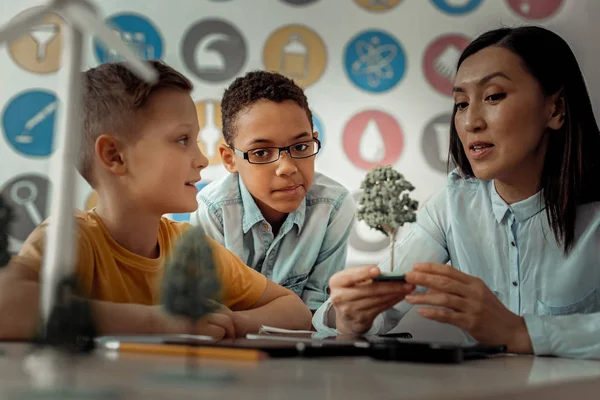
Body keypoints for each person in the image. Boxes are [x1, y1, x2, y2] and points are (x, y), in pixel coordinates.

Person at [314, 26, 600, 359]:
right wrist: (348, 314)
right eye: (461, 103)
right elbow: (374, 305)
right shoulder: (451, 205)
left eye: (493, 96)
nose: (470, 122)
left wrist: (520, 333)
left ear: (555, 109)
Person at [0, 61, 312, 340]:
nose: (202, 160)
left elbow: (293, 310)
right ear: (114, 156)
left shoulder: (188, 246)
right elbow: (7, 306)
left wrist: (230, 321)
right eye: (182, 140)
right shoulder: (72, 237)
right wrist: (160, 323)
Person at [190, 71, 355, 312]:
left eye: (300, 146)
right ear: (230, 159)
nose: (287, 167)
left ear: (314, 141)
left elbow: (317, 313)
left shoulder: (334, 206)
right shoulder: (213, 212)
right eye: (261, 153)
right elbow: (212, 313)